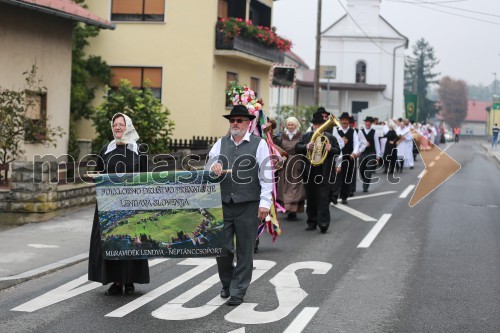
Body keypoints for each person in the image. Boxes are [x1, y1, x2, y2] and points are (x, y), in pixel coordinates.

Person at [208, 105, 273, 306]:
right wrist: (214, 167)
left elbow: (266, 175)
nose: (235, 123)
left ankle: (238, 291)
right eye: (232, 120)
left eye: (239, 120)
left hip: (248, 204)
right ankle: (227, 283)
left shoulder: (259, 144)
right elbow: (208, 167)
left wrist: (265, 203)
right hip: (224, 203)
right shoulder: (221, 143)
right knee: (223, 249)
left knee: (245, 250)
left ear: (248, 123)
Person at [88, 112, 150, 295]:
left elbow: (146, 178)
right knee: (112, 242)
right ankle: (116, 281)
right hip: (109, 206)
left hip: (131, 204)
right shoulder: (105, 149)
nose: (117, 127)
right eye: (115, 124)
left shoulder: (138, 150)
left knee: (130, 241)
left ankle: (129, 280)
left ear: (128, 126)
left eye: (121, 124)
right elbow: (97, 174)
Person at [295, 112, 340, 233]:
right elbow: (297, 148)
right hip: (309, 171)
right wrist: (306, 146)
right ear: (313, 125)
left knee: (323, 198)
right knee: (311, 198)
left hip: (324, 172)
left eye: (320, 124)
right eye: (315, 124)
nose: (317, 126)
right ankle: (312, 221)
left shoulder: (330, 138)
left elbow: (338, 151)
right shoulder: (307, 136)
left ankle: (323, 223)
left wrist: (331, 149)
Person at [276, 116, 306, 219]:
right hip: (284, 164)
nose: (290, 127)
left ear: (296, 125)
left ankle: (293, 210)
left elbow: (303, 148)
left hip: (296, 163)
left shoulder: (301, 136)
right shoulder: (282, 136)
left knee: (295, 187)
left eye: (292, 124)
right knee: (285, 186)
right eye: (288, 124)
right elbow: (278, 148)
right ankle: (287, 208)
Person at [333, 112, 360, 204]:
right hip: (338, 157)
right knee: (337, 177)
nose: (344, 121)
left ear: (349, 121)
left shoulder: (353, 131)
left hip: (349, 157)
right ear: (340, 121)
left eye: (346, 120)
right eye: (343, 120)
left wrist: (354, 153)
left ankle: (344, 196)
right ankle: (335, 196)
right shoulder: (336, 130)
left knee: (347, 177)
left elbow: (356, 143)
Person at [359, 116, 381, 193]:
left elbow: (377, 144)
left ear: (371, 123)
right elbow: (358, 142)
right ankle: (364, 179)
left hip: (371, 153)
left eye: (369, 122)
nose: (368, 123)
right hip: (363, 152)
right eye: (366, 122)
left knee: (368, 169)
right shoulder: (360, 131)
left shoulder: (374, 132)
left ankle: (366, 185)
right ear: (365, 123)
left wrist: (378, 155)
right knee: (361, 168)